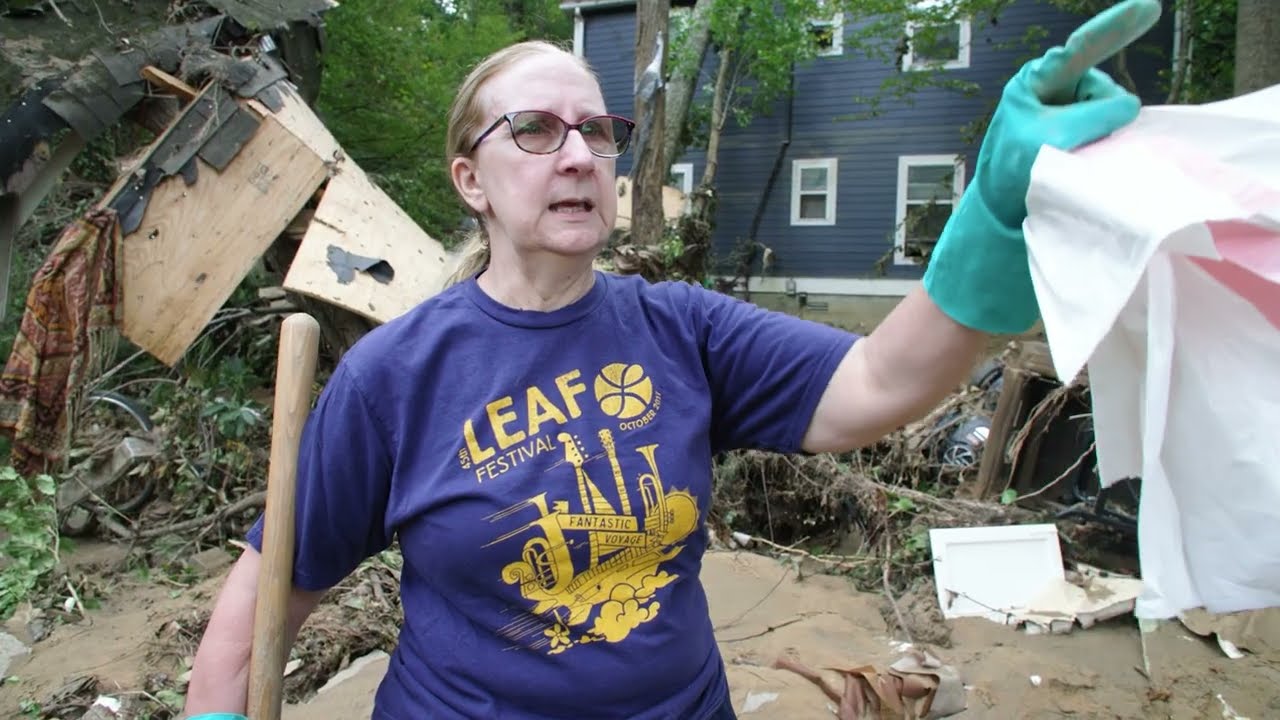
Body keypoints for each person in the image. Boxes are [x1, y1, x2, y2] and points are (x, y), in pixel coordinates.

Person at [182, 1, 1159, 717]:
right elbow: (264, 604)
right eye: (534, 130)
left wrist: (990, 218)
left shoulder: (683, 330)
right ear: (468, 180)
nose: (576, 154)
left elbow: (877, 384)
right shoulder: (393, 377)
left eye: (598, 132)